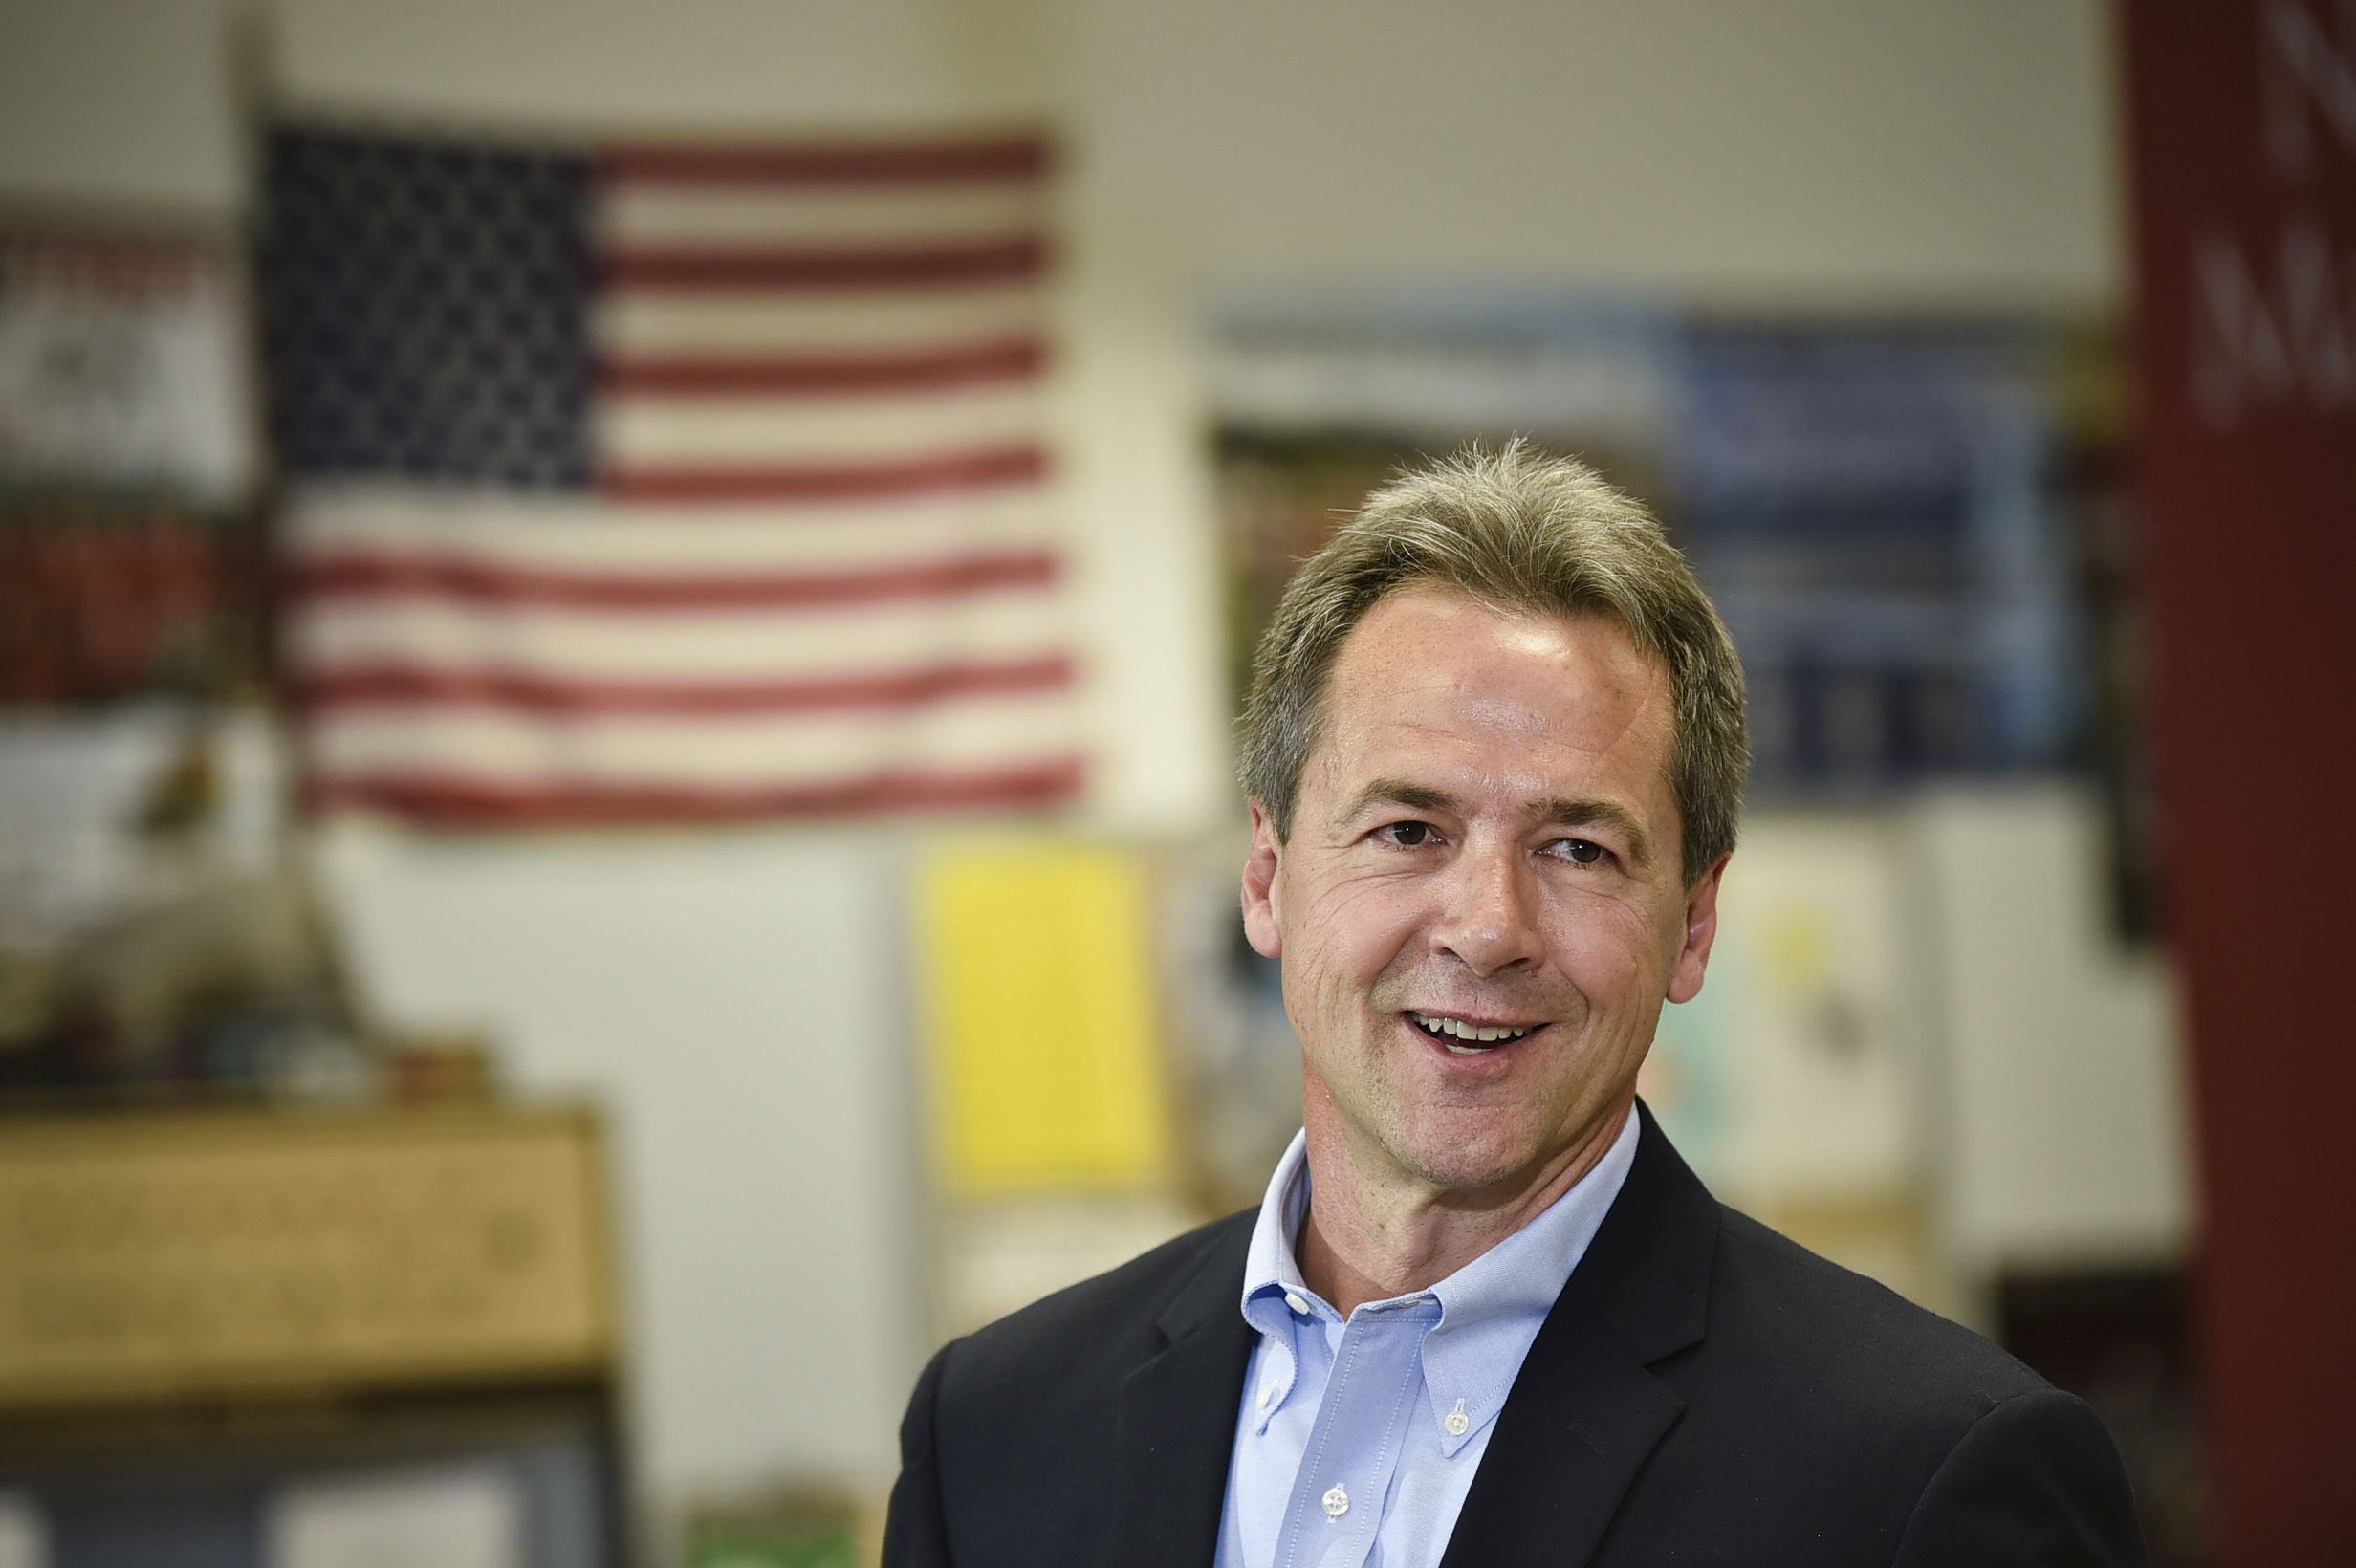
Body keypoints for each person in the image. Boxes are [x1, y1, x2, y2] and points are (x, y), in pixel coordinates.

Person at [883, 443, 2146, 1567]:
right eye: (1408, 827)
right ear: (1266, 877)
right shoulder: (991, 1434)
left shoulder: (1930, 1483)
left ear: (1693, 924)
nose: (1488, 926)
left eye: (1580, 849)